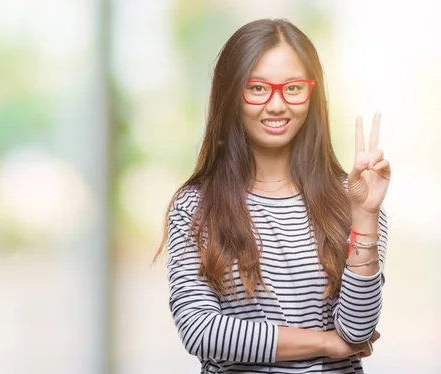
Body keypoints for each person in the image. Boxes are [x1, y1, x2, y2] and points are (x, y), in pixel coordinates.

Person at [154, 18, 391, 373]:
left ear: (311, 95)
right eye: (258, 88)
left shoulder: (354, 198)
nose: (278, 105)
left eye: (293, 88)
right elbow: (200, 330)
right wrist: (326, 342)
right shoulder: (196, 206)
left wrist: (366, 217)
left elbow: (357, 329)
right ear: (231, 93)